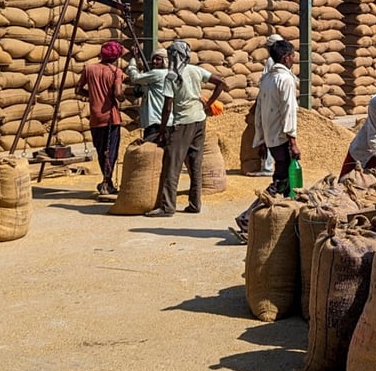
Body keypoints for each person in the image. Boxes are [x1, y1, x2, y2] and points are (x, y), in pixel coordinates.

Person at [146, 40, 227, 217]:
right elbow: (221, 82)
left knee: (171, 165)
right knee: (195, 163)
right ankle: (195, 203)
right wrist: (209, 104)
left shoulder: (172, 76)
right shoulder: (196, 70)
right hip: (199, 120)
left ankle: (167, 207)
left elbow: (168, 106)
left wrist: (162, 129)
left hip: (182, 122)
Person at [233, 40, 300, 241]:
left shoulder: (267, 80)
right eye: (293, 55)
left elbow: (259, 111)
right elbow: (289, 111)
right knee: (280, 182)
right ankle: (247, 220)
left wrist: (261, 139)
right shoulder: (285, 80)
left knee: (287, 185)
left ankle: (285, 223)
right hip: (282, 137)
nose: (294, 59)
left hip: (271, 137)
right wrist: (293, 140)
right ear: (286, 57)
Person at [75, 40, 125, 195]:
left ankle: (106, 181)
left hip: (95, 117)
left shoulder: (89, 69)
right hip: (111, 117)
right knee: (111, 151)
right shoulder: (116, 71)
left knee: (101, 149)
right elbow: (117, 93)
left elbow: (78, 89)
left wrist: (92, 97)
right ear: (116, 57)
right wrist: (122, 98)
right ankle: (106, 182)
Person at [256, 33, 284, 175]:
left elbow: (265, 80)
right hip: (277, 102)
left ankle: (267, 166)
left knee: (267, 133)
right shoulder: (284, 61)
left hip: (269, 101)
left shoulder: (271, 61)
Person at [126, 48, 169, 140]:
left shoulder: (157, 73)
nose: (154, 61)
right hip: (166, 120)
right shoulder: (168, 74)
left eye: (158, 59)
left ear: (165, 61)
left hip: (155, 120)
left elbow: (135, 77)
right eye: (153, 59)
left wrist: (133, 62)